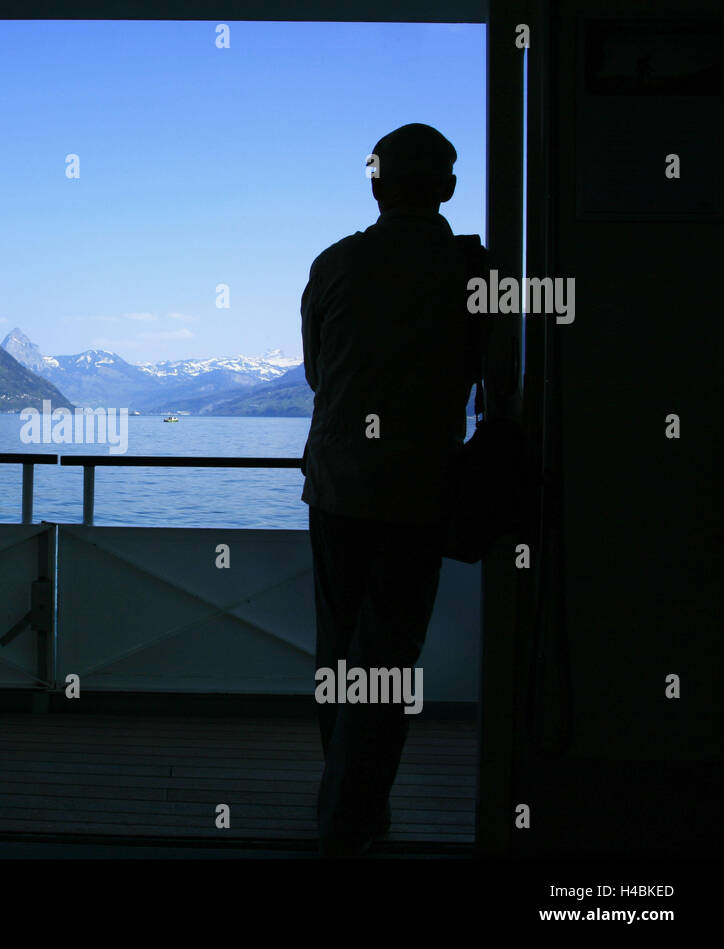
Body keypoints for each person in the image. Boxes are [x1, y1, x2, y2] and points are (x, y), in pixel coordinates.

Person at [300, 123, 483, 856]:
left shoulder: (334, 264)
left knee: (339, 647)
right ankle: (353, 808)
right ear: (447, 187)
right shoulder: (473, 270)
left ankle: (343, 796)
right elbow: (495, 380)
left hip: (337, 483)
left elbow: (317, 375)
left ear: (374, 185)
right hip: (419, 489)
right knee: (388, 654)